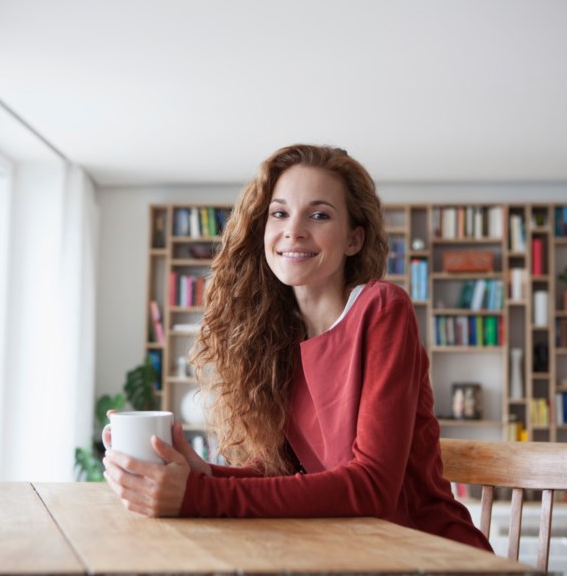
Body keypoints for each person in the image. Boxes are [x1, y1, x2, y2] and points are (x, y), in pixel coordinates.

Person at [102, 144, 492, 551]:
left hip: (429, 553)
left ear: (354, 240)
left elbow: (372, 488)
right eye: (279, 213)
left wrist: (198, 496)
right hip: (350, 552)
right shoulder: (279, 343)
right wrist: (203, 474)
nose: (294, 230)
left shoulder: (381, 309)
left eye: (319, 215)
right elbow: (293, 480)